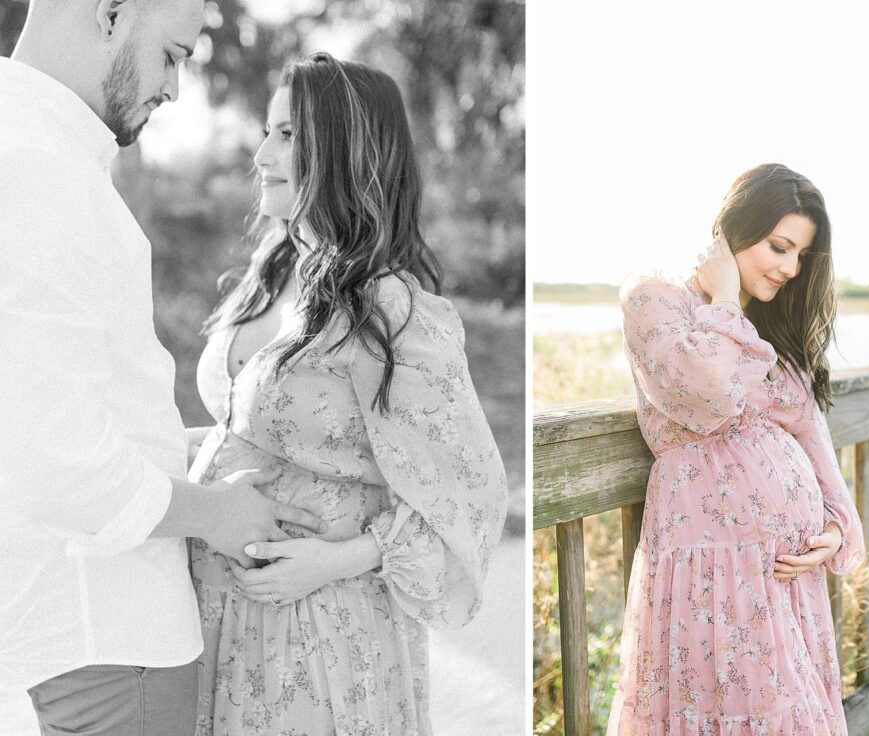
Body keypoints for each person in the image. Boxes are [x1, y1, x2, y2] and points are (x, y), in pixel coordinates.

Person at [0, 2, 326, 734]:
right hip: (108, 633)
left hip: (76, 624)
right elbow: (53, 458)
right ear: (110, 14)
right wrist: (218, 514)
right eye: (174, 54)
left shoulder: (32, 148)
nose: (176, 88)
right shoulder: (38, 167)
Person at [186, 52, 508, 735]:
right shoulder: (270, 274)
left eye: (289, 135)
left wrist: (337, 559)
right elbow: (240, 428)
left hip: (323, 625)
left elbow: (469, 494)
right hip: (222, 615)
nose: (262, 154)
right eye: (269, 131)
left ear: (345, 150)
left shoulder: (393, 313)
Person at [608, 163, 866, 735]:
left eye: (800, 255)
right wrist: (724, 296)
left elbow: (811, 437)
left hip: (786, 576)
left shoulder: (771, 329)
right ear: (732, 228)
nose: (790, 268)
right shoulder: (654, 299)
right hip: (711, 568)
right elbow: (713, 392)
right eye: (779, 246)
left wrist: (835, 526)